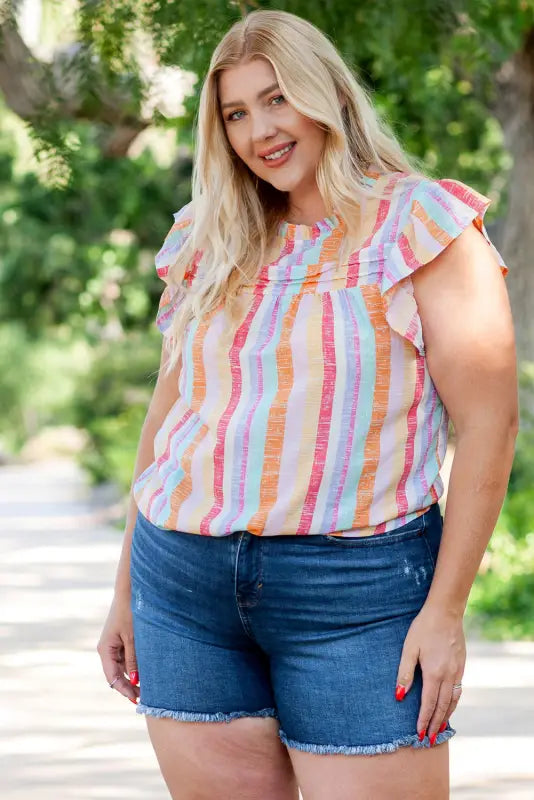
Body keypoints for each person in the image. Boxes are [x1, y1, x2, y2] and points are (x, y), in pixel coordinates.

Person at [97, 9, 518, 799]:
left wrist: (447, 611)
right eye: (236, 113)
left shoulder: (423, 227)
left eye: (278, 98)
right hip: (183, 586)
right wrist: (125, 590)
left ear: (326, 95)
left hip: (358, 596)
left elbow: (491, 424)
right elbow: (170, 420)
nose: (261, 129)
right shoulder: (208, 236)